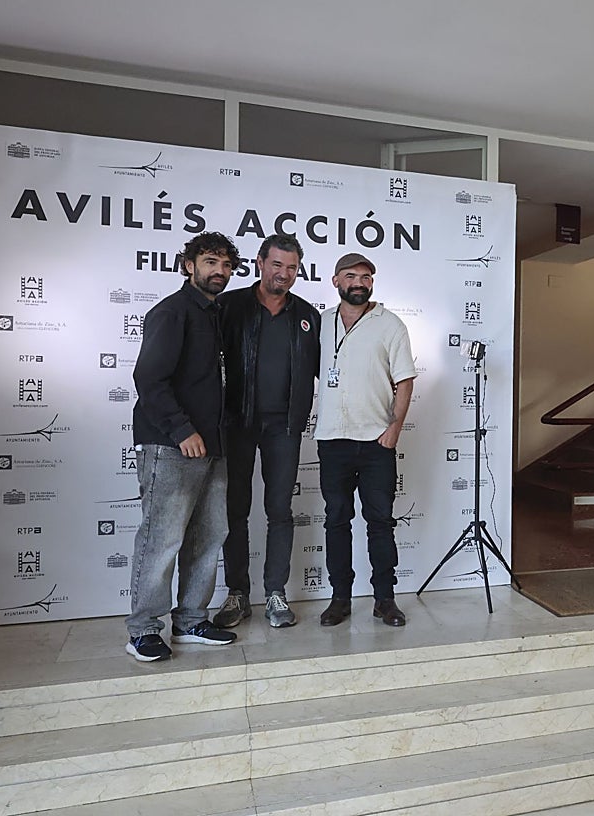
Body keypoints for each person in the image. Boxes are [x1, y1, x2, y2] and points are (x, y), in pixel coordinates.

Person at [124, 232, 241, 661]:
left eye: (227, 265)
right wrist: (181, 430)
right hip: (173, 445)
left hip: (213, 446)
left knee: (209, 536)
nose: (220, 272)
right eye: (211, 262)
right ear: (188, 264)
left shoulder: (214, 315)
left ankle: (191, 619)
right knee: (162, 539)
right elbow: (148, 380)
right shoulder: (172, 312)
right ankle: (143, 630)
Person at [212, 234, 321, 630]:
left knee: (280, 511)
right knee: (234, 509)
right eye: (277, 265)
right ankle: (238, 593)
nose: (284, 274)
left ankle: (276, 592)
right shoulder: (230, 306)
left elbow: (328, 373)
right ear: (259, 263)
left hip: (285, 428)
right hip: (236, 423)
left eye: (291, 268)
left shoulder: (308, 315)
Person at [313, 253, 416, 628]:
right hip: (332, 441)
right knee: (336, 521)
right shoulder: (321, 324)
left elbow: (405, 380)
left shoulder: (390, 324)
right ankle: (340, 598)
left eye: (366, 277)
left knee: (380, 522)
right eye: (351, 276)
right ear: (335, 281)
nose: (359, 282)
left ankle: (384, 600)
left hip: (376, 443)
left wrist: (394, 430)